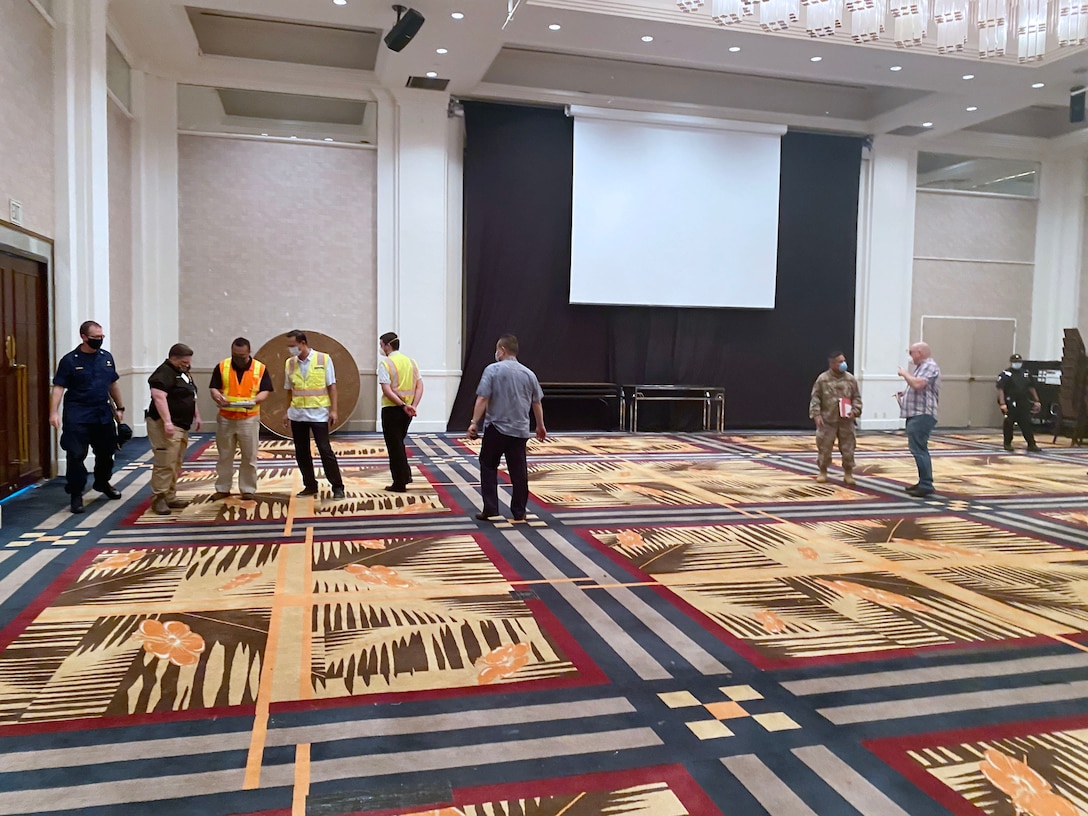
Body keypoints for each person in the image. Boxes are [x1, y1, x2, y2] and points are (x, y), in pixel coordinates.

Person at [467, 334, 546, 522]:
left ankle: (491, 508)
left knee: (488, 465)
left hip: (496, 428)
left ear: (501, 350)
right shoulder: (529, 374)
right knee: (519, 472)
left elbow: (483, 398)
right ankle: (519, 511)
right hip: (520, 430)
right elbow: (537, 403)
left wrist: (473, 422)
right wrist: (540, 426)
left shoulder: (492, 370)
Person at [48, 320, 125, 513]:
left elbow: (112, 384)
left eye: (101, 337)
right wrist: (53, 412)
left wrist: (120, 407)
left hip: (102, 414)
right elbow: (58, 388)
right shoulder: (69, 360)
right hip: (78, 415)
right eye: (95, 338)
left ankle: (102, 482)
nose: (99, 340)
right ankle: (76, 494)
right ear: (83, 337)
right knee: (76, 455)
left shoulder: (106, 358)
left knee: (107, 453)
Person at [209, 337, 273, 500]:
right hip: (226, 418)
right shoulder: (222, 366)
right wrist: (216, 394)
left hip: (249, 418)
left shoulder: (260, 368)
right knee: (225, 455)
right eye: (235, 355)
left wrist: (255, 400)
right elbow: (214, 388)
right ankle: (223, 488)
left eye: (242, 356)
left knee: (249, 456)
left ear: (249, 352)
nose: (238, 359)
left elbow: (265, 390)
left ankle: (247, 489)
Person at [282, 330, 345, 499]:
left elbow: (332, 387)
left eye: (293, 345)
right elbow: (289, 390)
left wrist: (334, 410)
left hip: (318, 413)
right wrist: (287, 411)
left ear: (303, 343)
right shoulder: (289, 363)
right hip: (297, 414)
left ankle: (338, 487)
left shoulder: (323, 359)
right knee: (301, 452)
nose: (290, 349)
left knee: (325, 450)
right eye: (289, 346)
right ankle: (310, 485)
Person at [146, 343, 202, 515]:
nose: (187, 364)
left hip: (182, 424)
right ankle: (159, 498)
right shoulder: (163, 373)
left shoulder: (182, 373)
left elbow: (191, 396)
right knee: (165, 461)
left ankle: (170, 495)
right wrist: (168, 422)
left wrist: (196, 415)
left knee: (175, 461)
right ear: (174, 358)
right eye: (184, 361)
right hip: (165, 424)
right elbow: (158, 397)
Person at [378, 331, 423, 492]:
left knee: (394, 446)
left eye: (381, 345)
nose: (381, 348)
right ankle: (405, 475)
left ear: (388, 345)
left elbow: (387, 389)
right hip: (407, 412)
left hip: (392, 410)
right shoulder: (411, 362)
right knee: (399, 443)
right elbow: (420, 386)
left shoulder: (386, 363)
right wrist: (413, 405)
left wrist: (402, 405)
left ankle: (399, 482)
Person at [809, 351, 862, 485]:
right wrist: (816, 414)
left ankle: (848, 473)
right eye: (839, 362)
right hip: (827, 420)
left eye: (843, 360)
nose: (843, 364)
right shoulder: (823, 379)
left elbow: (856, 397)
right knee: (824, 447)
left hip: (846, 421)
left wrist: (855, 411)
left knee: (848, 448)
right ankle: (823, 471)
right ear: (832, 363)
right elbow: (815, 397)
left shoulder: (850, 379)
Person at [897, 342, 941, 498]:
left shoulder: (930, 366)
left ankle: (926, 484)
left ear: (920, 352)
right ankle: (923, 481)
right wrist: (906, 393)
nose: (910, 356)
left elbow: (918, 384)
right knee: (917, 448)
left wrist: (904, 374)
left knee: (919, 449)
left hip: (922, 414)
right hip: (916, 413)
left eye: (912, 352)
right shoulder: (922, 367)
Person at [997, 353, 1042, 453]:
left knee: (1026, 423)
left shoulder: (1025, 373)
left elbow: (1031, 387)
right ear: (1011, 363)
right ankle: (1007, 443)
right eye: (1015, 362)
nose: (1017, 364)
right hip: (1010, 401)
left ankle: (1031, 444)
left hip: (1023, 401)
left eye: (1019, 362)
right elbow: (1001, 389)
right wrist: (1002, 403)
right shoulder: (1006, 374)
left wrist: (1036, 400)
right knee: (1009, 423)